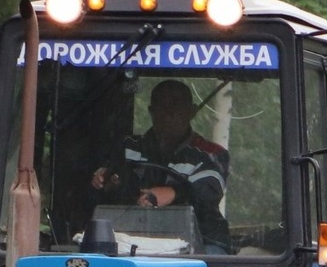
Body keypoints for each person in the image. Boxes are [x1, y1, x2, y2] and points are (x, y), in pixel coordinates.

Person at [92, 80, 230, 253]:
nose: (168, 113)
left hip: (201, 240)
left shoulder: (211, 153)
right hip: (133, 239)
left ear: (192, 111)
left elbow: (209, 191)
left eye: (176, 105)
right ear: (151, 111)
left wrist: (174, 193)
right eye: (161, 106)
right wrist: (105, 179)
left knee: (212, 259)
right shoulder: (128, 147)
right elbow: (111, 175)